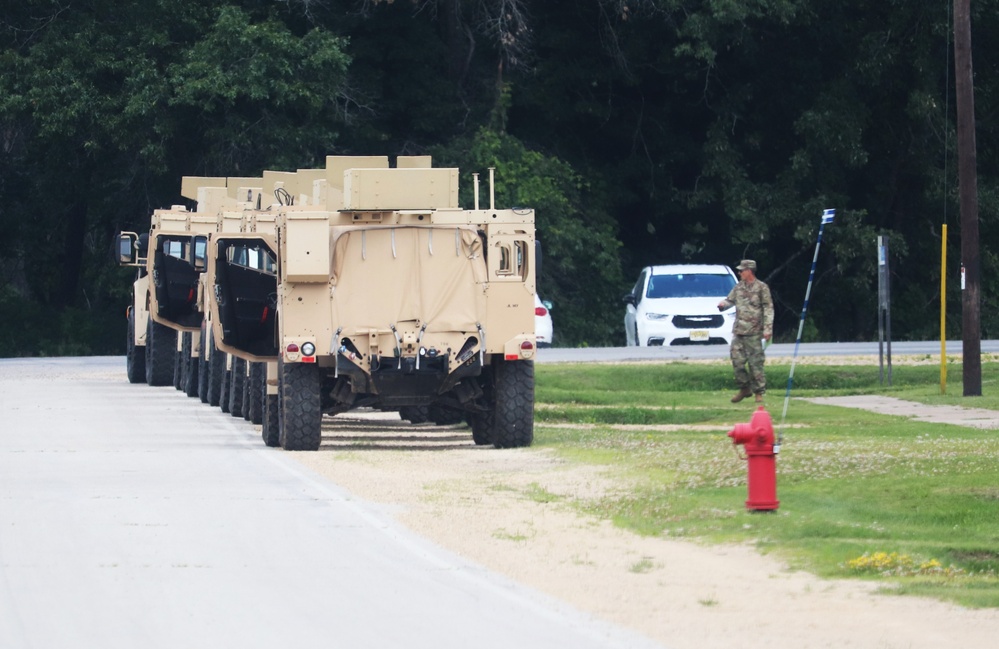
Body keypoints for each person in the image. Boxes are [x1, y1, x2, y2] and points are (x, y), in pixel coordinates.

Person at [717, 259, 774, 404]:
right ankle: (744, 388)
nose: (739, 273)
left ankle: (759, 392)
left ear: (749, 271)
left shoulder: (762, 288)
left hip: (755, 332)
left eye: (742, 270)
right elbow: (730, 300)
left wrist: (768, 329)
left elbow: (768, 309)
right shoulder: (738, 287)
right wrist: (723, 305)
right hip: (739, 331)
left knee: (756, 364)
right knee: (737, 363)